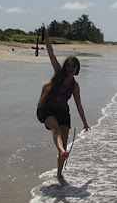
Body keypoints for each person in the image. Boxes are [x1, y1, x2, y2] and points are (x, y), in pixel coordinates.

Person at [36, 24, 90, 181]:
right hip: (47, 109)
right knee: (56, 129)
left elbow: (79, 105)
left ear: (77, 68)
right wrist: (45, 35)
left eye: (74, 65)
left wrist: (85, 122)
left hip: (63, 113)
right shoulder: (59, 74)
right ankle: (61, 150)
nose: (70, 67)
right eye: (68, 65)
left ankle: (59, 174)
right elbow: (51, 53)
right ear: (65, 67)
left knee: (65, 141)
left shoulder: (75, 86)